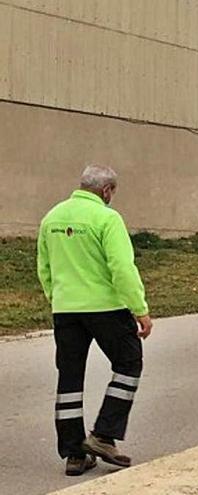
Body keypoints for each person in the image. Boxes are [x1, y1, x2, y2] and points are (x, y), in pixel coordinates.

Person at [37, 165, 153, 476]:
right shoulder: (107, 218)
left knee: (70, 379)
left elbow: (44, 267)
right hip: (106, 308)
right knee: (129, 363)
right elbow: (121, 267)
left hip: (66, 309)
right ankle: (103, 435)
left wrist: (58, 298)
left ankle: (74, 454)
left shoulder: (52, 218)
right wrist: (139, 308)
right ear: (106, 191)